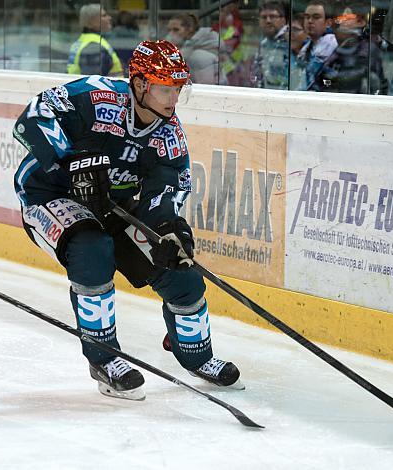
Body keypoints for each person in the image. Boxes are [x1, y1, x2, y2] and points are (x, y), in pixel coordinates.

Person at [13, 40, 243, 401]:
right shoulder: (96, 97)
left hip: (112, 206)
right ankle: (105, 359)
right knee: (92, 250)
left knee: (181, 272)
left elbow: (167, 191)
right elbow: (34, 115)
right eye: (164, 88)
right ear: (139, 84)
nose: (173, 99)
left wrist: (169, 229)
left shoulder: (168, 135)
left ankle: (197, 356)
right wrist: (70, 161)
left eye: (177, 89)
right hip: (49, 194)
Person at [311, 7, 389, 94]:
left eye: (347, 18)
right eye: (340, 18)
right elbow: (323, 79)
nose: (342, 21)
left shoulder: (369, 49)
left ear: (360, 22)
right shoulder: (335, 48)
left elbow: (378, 83)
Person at [67, 4, 124, 77]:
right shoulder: (94, 45)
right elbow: (93, 83)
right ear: (91, 21)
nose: (109, 18)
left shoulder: (83, 40)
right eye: (104, 16)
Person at [166, 13, 222, 85]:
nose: (171, 34)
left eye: (176, 30)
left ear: (190, 29)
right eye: (169, 30)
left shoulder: (199, 54)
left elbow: (205, 87)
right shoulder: (191, 48)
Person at [297, 0, 339, 90]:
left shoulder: (333, 46)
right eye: (307, 17)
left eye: (316, 17)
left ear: (328, 23)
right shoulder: (306, 48)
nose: (310, 21)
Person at [251, 1, 290, 89]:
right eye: (264, 17)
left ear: (283, 20)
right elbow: (257, 76)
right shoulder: (263, 44)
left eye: (272, 17)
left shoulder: (292, 41)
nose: (268, 21)